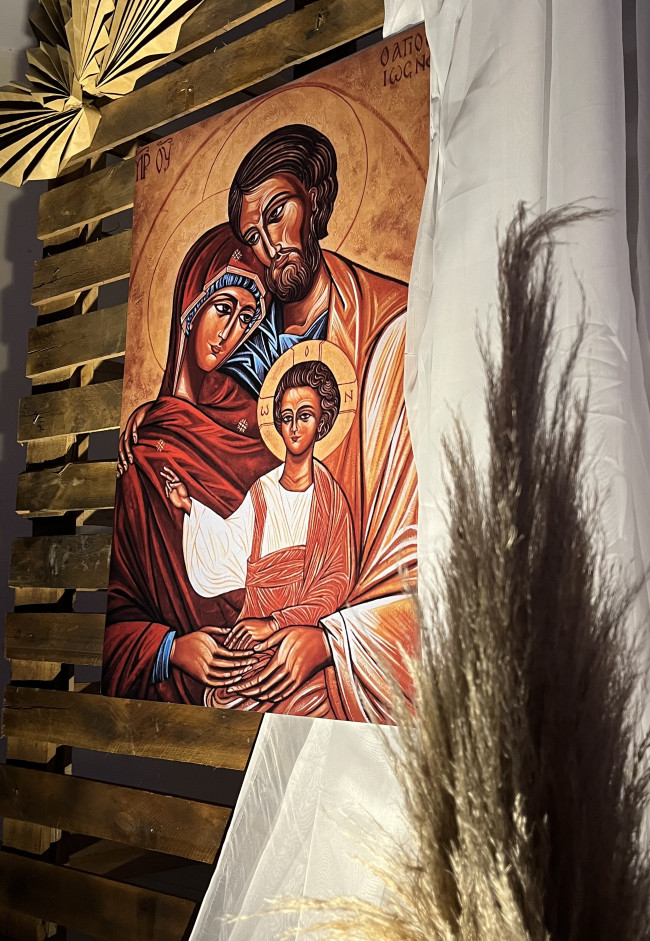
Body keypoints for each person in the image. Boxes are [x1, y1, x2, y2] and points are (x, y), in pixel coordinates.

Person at [221, 124, 418, 721]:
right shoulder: (242, 345)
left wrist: (331, 639)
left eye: (278, 213)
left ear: (315, 199)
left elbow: (410, 550)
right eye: (253, 237)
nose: (270, 246)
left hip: (342, 639)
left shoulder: (390, 330)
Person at [102, 225, 279, 702]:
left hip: (266, 657)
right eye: (223, 308)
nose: (229, 333)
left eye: (246, 319)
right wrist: (170, 648)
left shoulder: (257, 420)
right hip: (186, 691)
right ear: (191, 304)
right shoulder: (142, 445)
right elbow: (117, 606)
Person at [161, 357, 356, 716]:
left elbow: (336, 581)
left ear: (323, 421)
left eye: (305, 416)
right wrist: (189, 507)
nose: (294, 428)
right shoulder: (262, 492)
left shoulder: (331, 499)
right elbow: (230, 547)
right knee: (223, 696)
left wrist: (276, 624)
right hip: (251, 631)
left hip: (299, 636)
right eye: (286, 417)